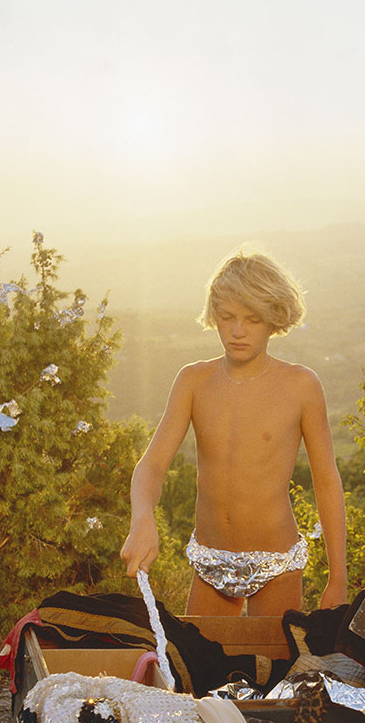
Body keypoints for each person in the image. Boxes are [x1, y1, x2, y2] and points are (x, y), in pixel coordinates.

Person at [121, 250, 347, 617]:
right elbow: (152, 465)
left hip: (277, 562)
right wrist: (142, 518)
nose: (237, 331)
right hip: (210, 559)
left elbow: (327, 483)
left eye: (252, 320)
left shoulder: (301, 386)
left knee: (273, 673)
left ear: (274, 319)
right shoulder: (193, 381)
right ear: (214, 315)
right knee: (201, 673)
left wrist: (338, 579)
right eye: (227, 318)